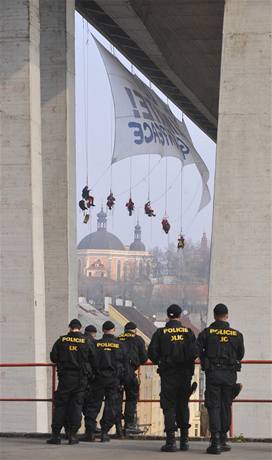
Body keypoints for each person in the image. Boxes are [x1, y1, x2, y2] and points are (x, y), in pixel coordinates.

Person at [148, 304, 198, 452]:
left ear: (167, 316)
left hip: (168, 374)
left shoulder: (161, 333)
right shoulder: (188, 332)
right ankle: (184, 441)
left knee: (168, 406)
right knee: (183, 405)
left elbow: (151, 353)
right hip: (184, 375)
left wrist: (162, 361)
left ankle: (171, 442)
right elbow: (194, 352)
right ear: (180, 316)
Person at [197, 304, 245, 454]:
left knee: (214, 406)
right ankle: (223, 439)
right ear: (227, 315)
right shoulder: (237, 335)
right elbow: (240, 354)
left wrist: (206, 360)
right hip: (230, 375)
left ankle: (215, 441)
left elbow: (197, 350)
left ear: (214, 315)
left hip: (213, 374)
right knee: (225, 405)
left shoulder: (206, 333)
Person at [47, 319, 96, 445]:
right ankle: (72, 436)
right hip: (80, 379)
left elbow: (53, 357)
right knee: (76, 406)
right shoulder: (86, 341)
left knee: (60, 405)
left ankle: (56, 436)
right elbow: (93, 359)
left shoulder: (61, 340)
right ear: (80, 328)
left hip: (65, 378)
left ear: (69, 328)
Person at [83, 321, 128, 442]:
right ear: (113, 330)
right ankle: (104, 433)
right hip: (113, 380)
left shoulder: (95, 344)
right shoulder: (120, 345)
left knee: (93, 405)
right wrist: (122, 381)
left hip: (97, 379)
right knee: (111, 406)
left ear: (102, 330)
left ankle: (90, 433)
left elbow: (89, 361)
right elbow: (125, 365)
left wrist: (91, 376)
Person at [116, 322, 148, 436]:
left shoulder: (117, 338)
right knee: (131, 398)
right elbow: (144, 358)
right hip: (130, 372)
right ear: (135, 330)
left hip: (117, 373)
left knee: (117, 400)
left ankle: (118, 426)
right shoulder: (138, 339)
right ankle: (129, 425)